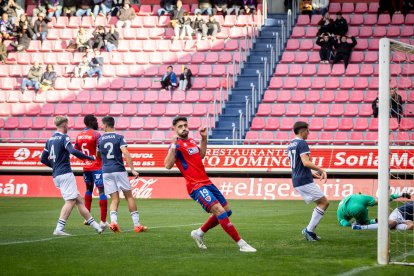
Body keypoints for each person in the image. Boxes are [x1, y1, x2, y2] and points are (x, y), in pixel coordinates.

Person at [164, 116, 256, 252]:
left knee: (227, 211)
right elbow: (167, 165)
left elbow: (200, 156)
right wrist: (172, 145)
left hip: (207, 182)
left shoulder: (190, 141)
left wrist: (204, 139)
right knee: (219, 210)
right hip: (195, 186)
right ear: (175, 129)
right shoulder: (176, 146)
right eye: (180, 127)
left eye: (185, 125)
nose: (184, 128)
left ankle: (199, 233)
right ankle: (242, 244)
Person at [40, 116, 102, 236]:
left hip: (57, 175)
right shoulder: (64, 137)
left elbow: (43, 159)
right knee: (70, 201)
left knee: (78, 200)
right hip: (65, 174)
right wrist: (89, 157)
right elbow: (72, 150)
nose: (68, 127)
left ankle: (96, 226)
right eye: (67, 125)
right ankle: (59, 228)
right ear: (64, 125)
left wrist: (55, 166)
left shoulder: (50, 139)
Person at [97, 116, 147, 233]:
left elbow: (98, 155)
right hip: (119, 169)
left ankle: (114, 222)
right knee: (129, 196)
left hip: (106, 171)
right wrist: (133, 169)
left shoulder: (100, 140)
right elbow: (126, 153)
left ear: (106, 125)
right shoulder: (119, 137)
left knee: (114, 199)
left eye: (102, 125)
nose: (101, 126)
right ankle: (137, 225)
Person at [287, 121, 329, 241]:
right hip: (303, 180)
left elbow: (297, 164)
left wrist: (311, 172)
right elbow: (305, 162)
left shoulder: (290, 144)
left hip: (297, 179)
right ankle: (309, 231)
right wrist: (321, 170)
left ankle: (309, 231)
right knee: (324, 203)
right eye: (307, 131)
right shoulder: (302, 143)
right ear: (301, 131)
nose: (308, 133)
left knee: (322, 202)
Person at [75, 114, 108, 229]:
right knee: (101, 191)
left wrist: (84, 160)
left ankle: (87, 218)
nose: (97, 123)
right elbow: (100, 150)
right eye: (95, 121)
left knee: (88, 189)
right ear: (91, 122)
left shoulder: (79, 135)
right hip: (97, 166)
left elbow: (76, 151)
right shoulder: (96, 134)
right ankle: (103, 221)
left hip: (86, 167)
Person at [338, 192, 411, 230]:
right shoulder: (361, 197)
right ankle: (400, 194)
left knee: (364, 222)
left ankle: (360, 224)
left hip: (355, 208)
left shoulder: (340, 214)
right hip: (358, 198)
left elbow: (344, 223)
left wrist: (351, 224)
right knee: (382, 200)